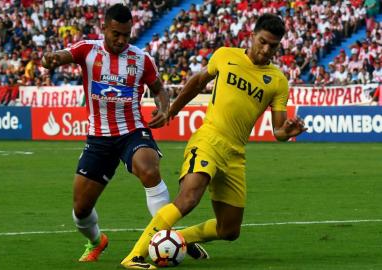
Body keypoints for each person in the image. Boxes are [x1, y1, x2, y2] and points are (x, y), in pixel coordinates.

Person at [121, 13, 307, 269]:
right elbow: (198, 82)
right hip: (209, 139)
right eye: (262, 41)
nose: (266, 50)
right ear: (251, 36)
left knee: (229, 229)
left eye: (273, 46)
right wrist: (172, 110)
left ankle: (178, 238)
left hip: (235, 154)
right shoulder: (225, 55)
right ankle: (135, 255)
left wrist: (290, 131)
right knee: (188, 198)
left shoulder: (277, 81)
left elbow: (278, 131)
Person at [41, 4, 172, 262]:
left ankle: (168, 236)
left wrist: (164, 108)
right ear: (104, 28)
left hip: (132, 131)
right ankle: (96, 240)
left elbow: (159, 89)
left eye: (126, 35)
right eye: (116, 34)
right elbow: (61, 55)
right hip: (99, 137)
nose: (122, 40)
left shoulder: (141, 58)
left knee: (149, 169)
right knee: (80, 209)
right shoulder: (88, 49)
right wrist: (50, 59)